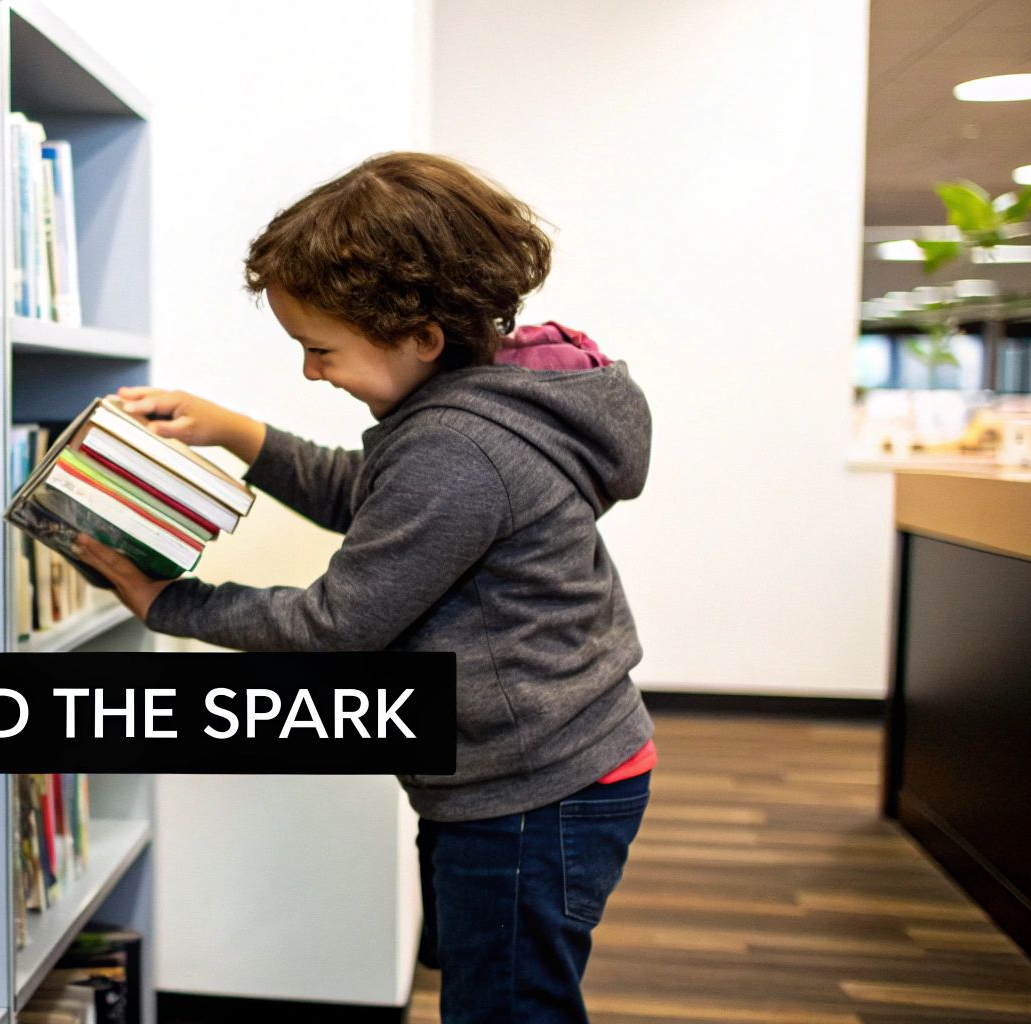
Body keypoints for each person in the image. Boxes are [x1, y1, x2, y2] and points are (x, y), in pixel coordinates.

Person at [69, 152, 655, 1024]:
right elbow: (370, 499)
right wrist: (238, 433)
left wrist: (171, 604)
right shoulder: (483, 403)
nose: (310, 372)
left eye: (320, 350)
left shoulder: (458, 447)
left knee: (507, 1007)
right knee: (495, 986)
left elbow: (335, 626)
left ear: (420, 336)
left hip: (532, 790)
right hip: (543, 766)